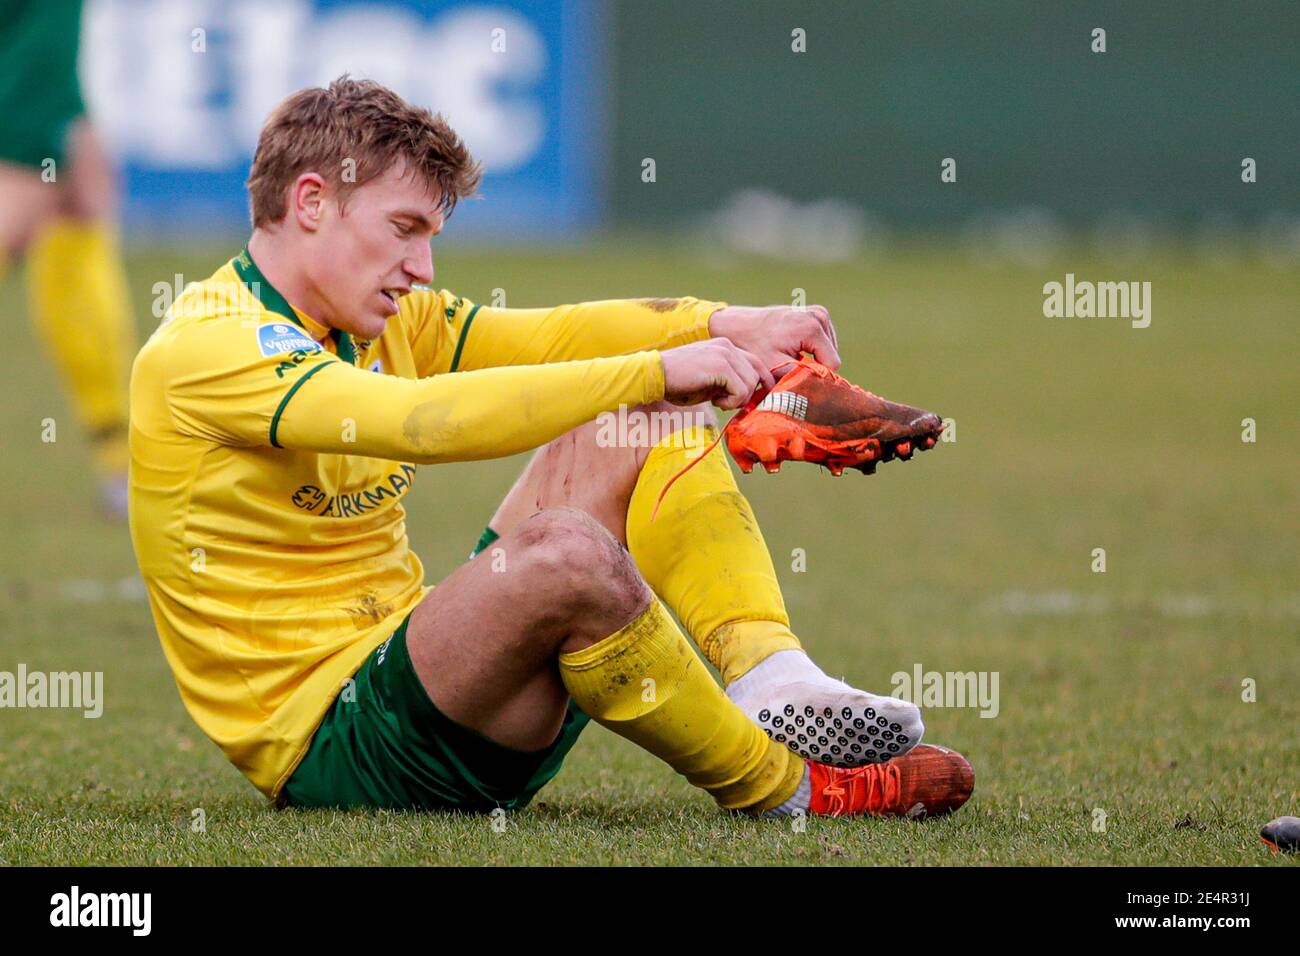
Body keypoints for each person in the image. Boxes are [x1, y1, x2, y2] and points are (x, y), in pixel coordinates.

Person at [129, 76, 972, 820]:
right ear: (312, 202)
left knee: (653, 415)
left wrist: (723, 325)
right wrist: (656, 365)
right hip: (335, 746)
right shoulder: (208, 346)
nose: (422, 267)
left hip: (433, 679)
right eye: (404, 228)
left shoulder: (374, 316)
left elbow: (553, 337)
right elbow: (422, 421)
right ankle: (787, 788)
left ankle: (772, 677)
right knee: (571, 547)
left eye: (432, 237)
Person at [0, 0, 136, 516]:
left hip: (42, 83)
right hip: (25, 92)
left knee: (79, 209)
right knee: (37, 200)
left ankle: (119, 456)